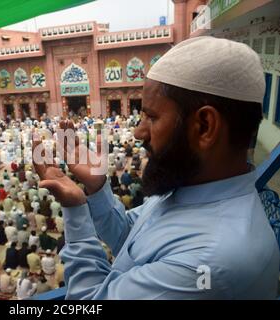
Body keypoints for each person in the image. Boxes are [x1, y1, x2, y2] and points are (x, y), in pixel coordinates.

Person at [33, 37, 280, 299]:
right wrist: (97, 187)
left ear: (205, 126)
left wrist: (75, 210)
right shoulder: (189, 185)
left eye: (151, 117)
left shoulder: (210, 261)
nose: (139, 132)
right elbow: (131, 241)